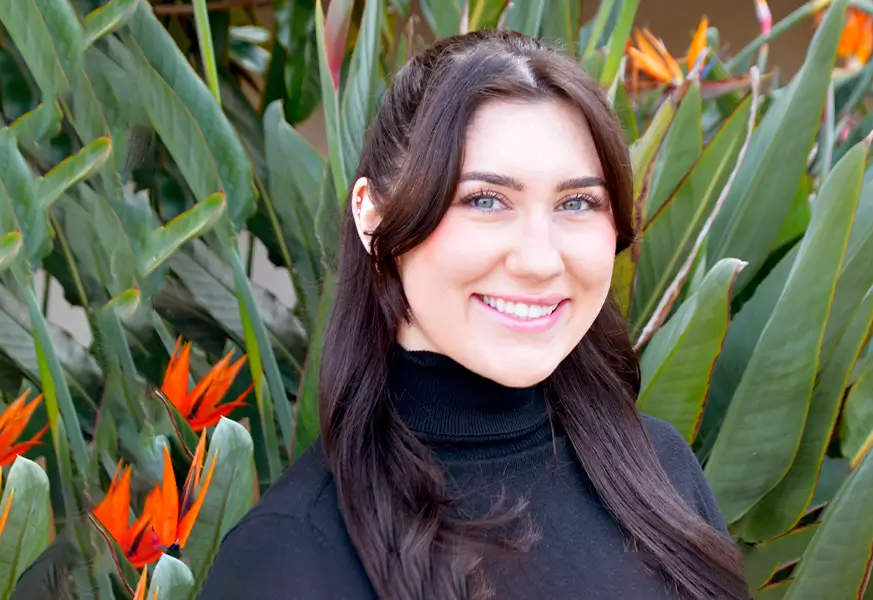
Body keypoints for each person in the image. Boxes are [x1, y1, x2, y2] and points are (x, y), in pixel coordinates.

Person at [197, 29, 749, 600]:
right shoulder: (289, 558)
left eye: (577, 202)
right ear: (373, 216)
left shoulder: (659, 472)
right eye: (485, 200)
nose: (539, 260)